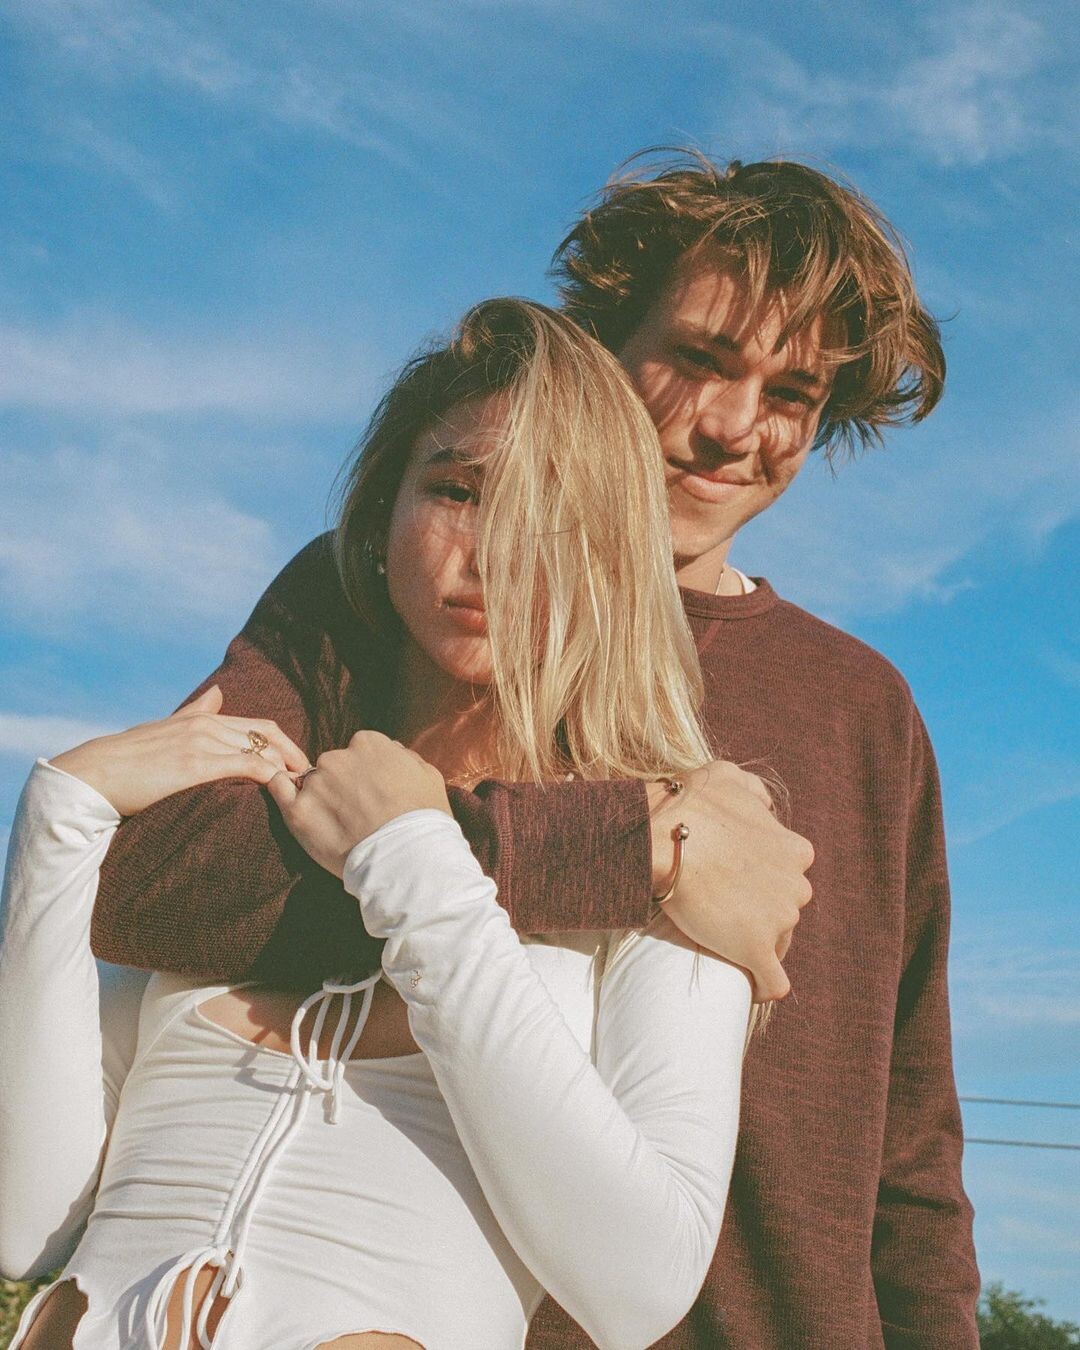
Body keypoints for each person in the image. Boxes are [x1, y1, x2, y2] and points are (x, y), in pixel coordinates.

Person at [86, 152, 979, 1346]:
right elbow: (144, 885)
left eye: (792, 394)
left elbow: (911, 1137)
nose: (732, 427)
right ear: (602, 341)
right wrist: (629, 851)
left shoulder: (860, 705)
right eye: (699, 358)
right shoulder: (383, 595)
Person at [0, 300, 762, 1349]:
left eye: (554, 513)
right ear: (381, 514)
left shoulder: (665, 863)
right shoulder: (236, 838)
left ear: (617, 556)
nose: (493, 554)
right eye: (457, 491)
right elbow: (23, 1219)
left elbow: (638, 1288)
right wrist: (58, 824)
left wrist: (415, 865)